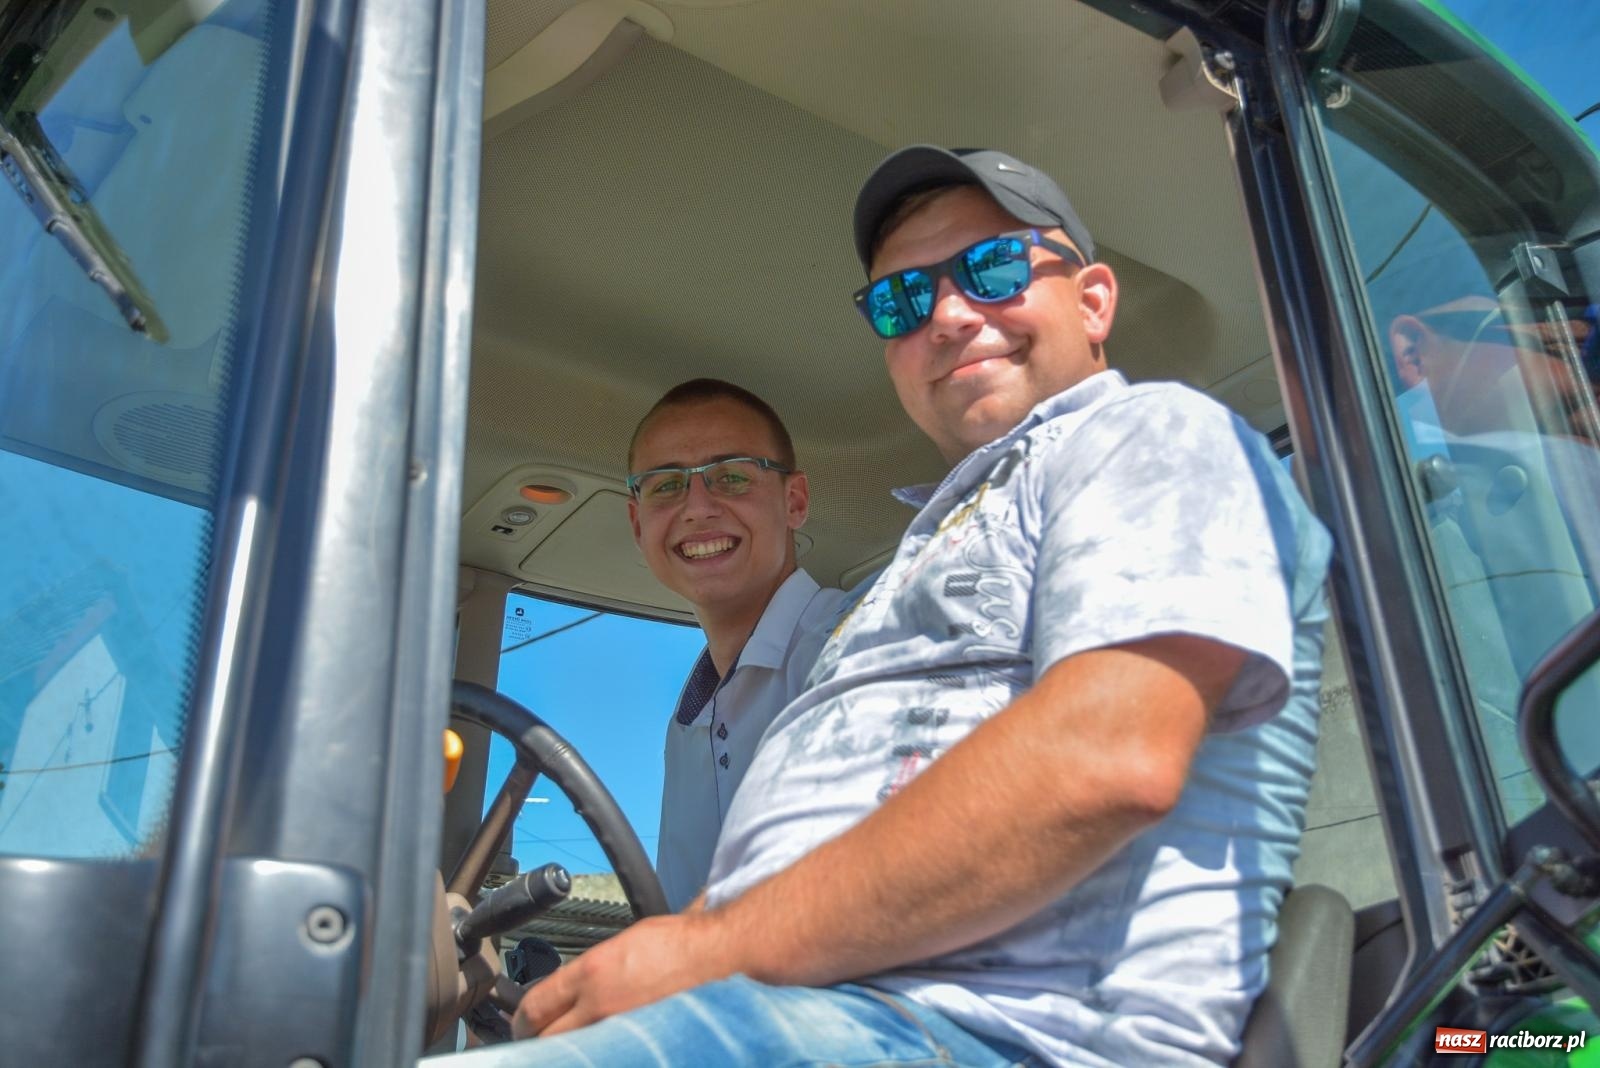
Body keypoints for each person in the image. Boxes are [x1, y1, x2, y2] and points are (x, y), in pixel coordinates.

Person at [492, 146, 1333, 1067]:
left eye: (994, 267)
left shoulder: (1153, 435)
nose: (950, 314)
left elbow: (1109, 758)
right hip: (820, 1016)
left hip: (994, 1035)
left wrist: (704, 950)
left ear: (1093, 301)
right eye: (902, 301)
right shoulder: (914, 572)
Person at [627, 378, 846, 911]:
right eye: (666, 486)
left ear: (794, 502)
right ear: (638, 524)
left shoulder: (854, 647)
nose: (697, 508)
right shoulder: (687, 724)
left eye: (730, 477)